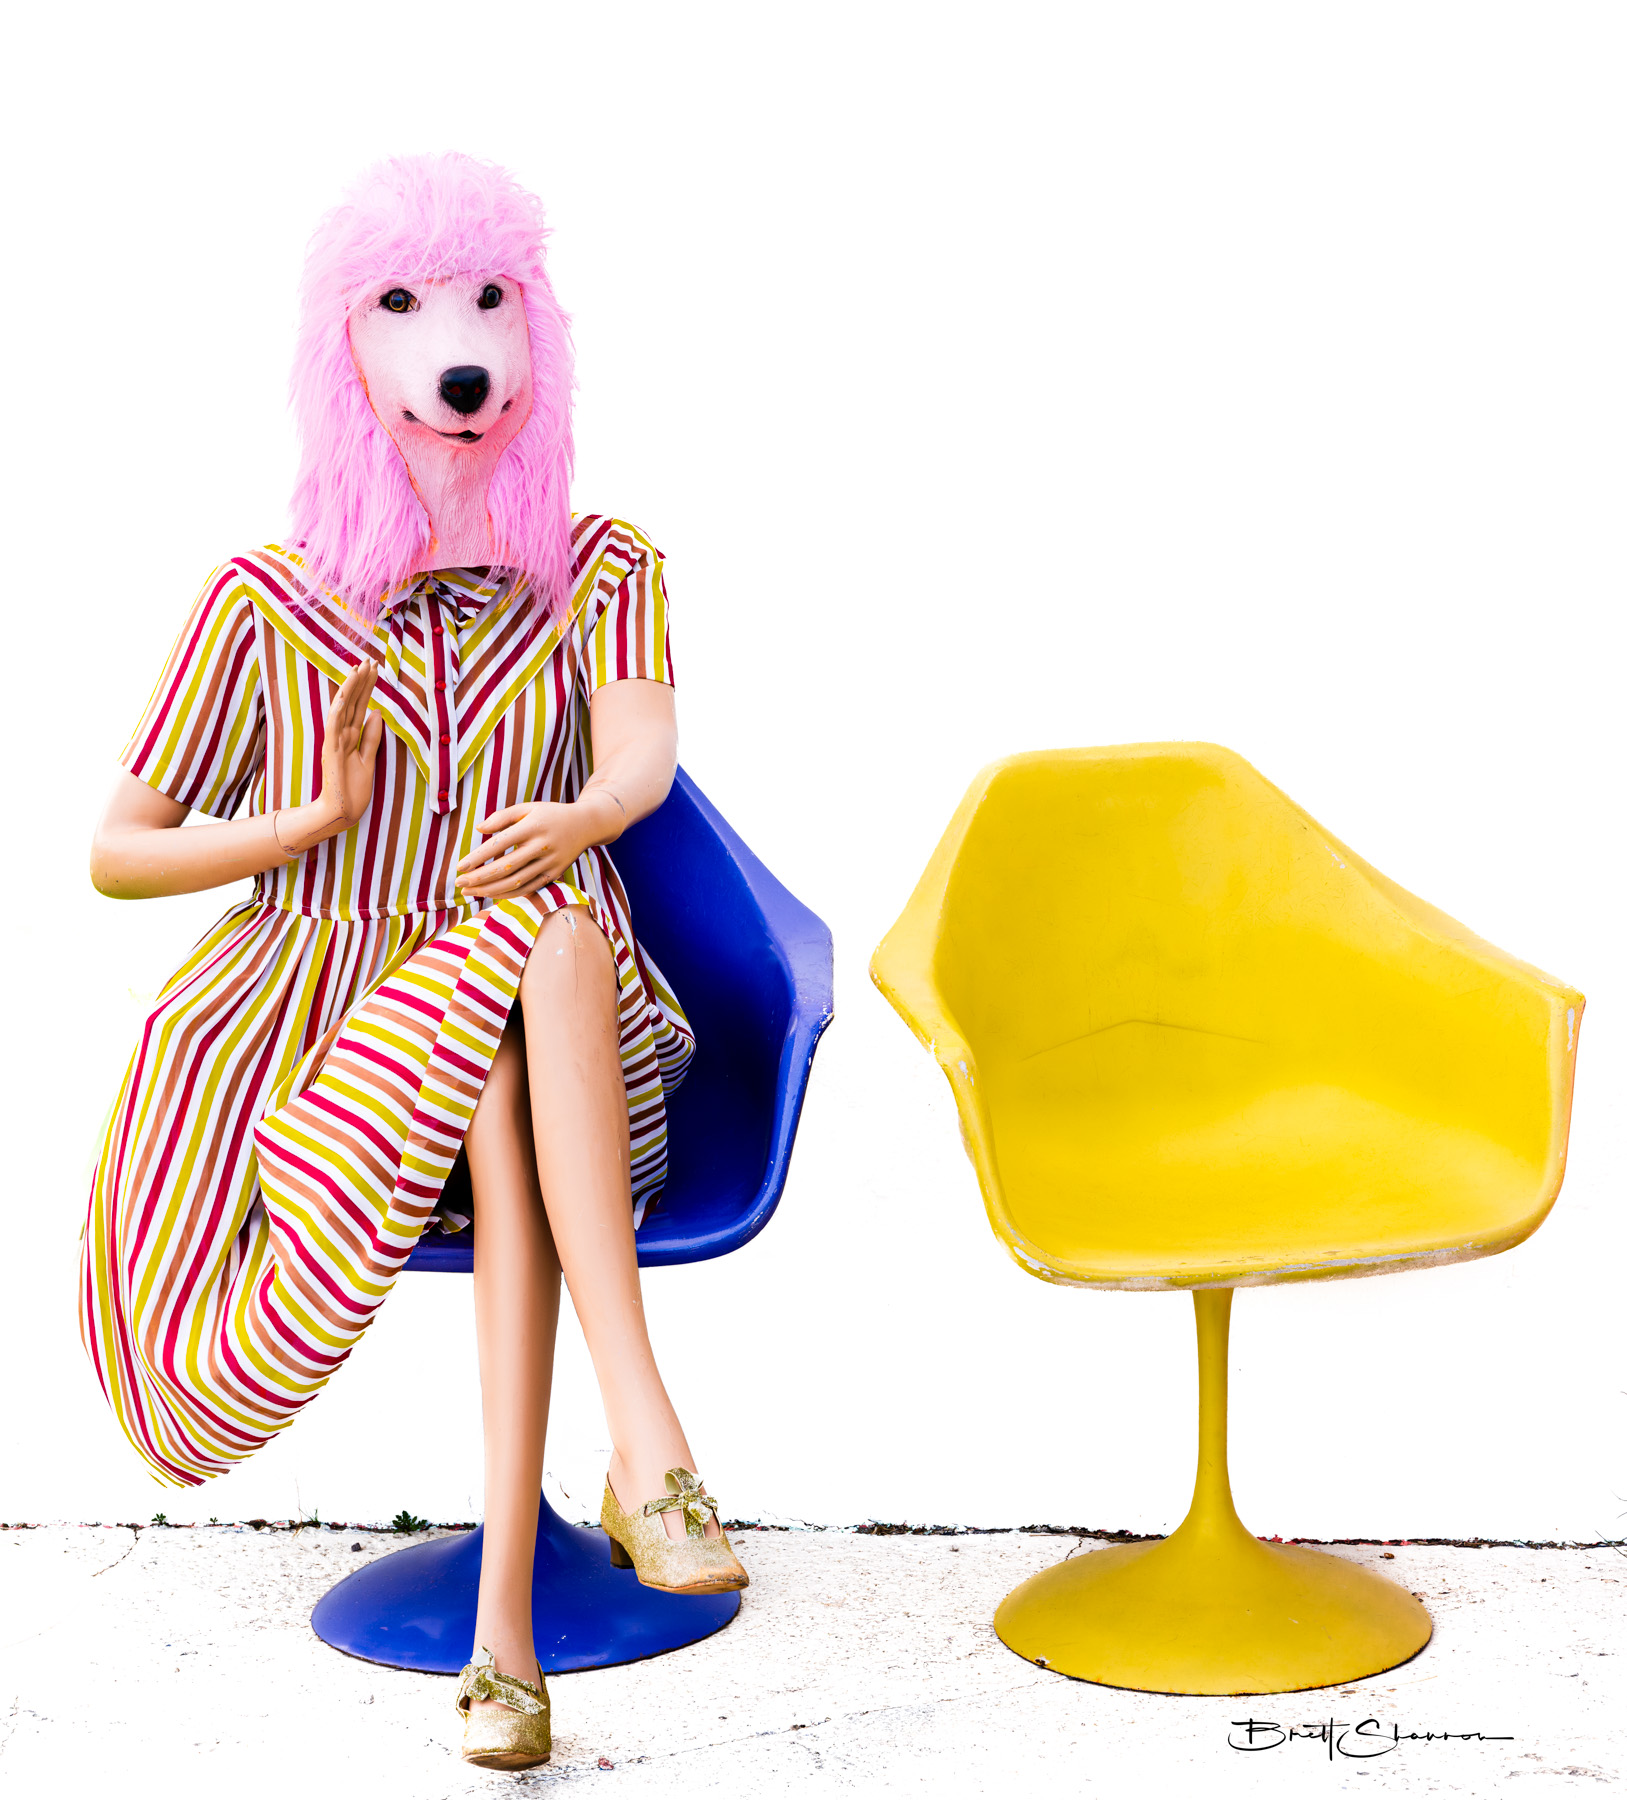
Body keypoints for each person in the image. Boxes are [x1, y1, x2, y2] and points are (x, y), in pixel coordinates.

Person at [81, 152, 745, 1772]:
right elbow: (119, 852)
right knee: (514, 985)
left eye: (488, 303)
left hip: (582, 1061)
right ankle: (635, 1466)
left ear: (535, 333)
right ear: (346, 352)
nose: (457, 353)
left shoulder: (600, 568)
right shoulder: (268, 604)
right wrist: (308, 820)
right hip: (343, 1079)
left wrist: (580, 811)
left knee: (538, 948)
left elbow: (641, 756)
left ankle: (519, 1615)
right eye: (401, 305)